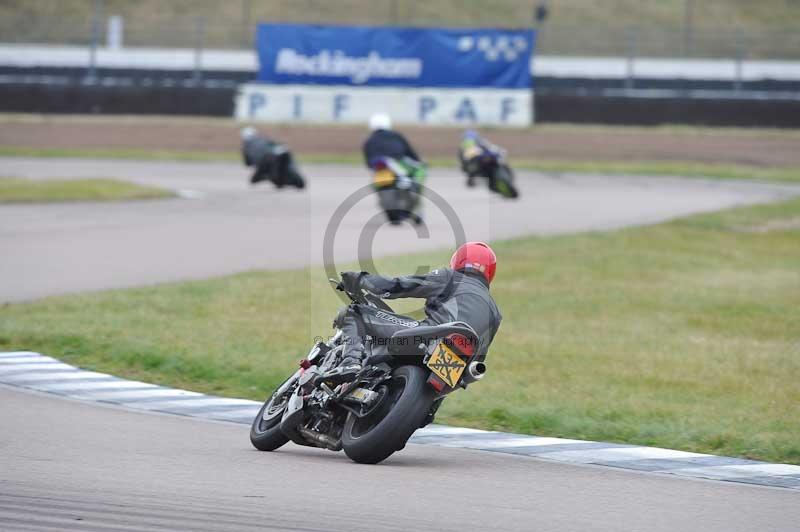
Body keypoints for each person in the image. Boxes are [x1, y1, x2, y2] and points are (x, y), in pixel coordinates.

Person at [333, 242, 502, 377]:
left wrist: (359, 279)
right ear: (490, 272)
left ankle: (350, 363)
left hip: (427, 337)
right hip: (460, 365)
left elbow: (396, 287)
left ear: (457, 261)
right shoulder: (495, 312)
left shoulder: (450, 277)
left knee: (355, 312)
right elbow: (481, 354)